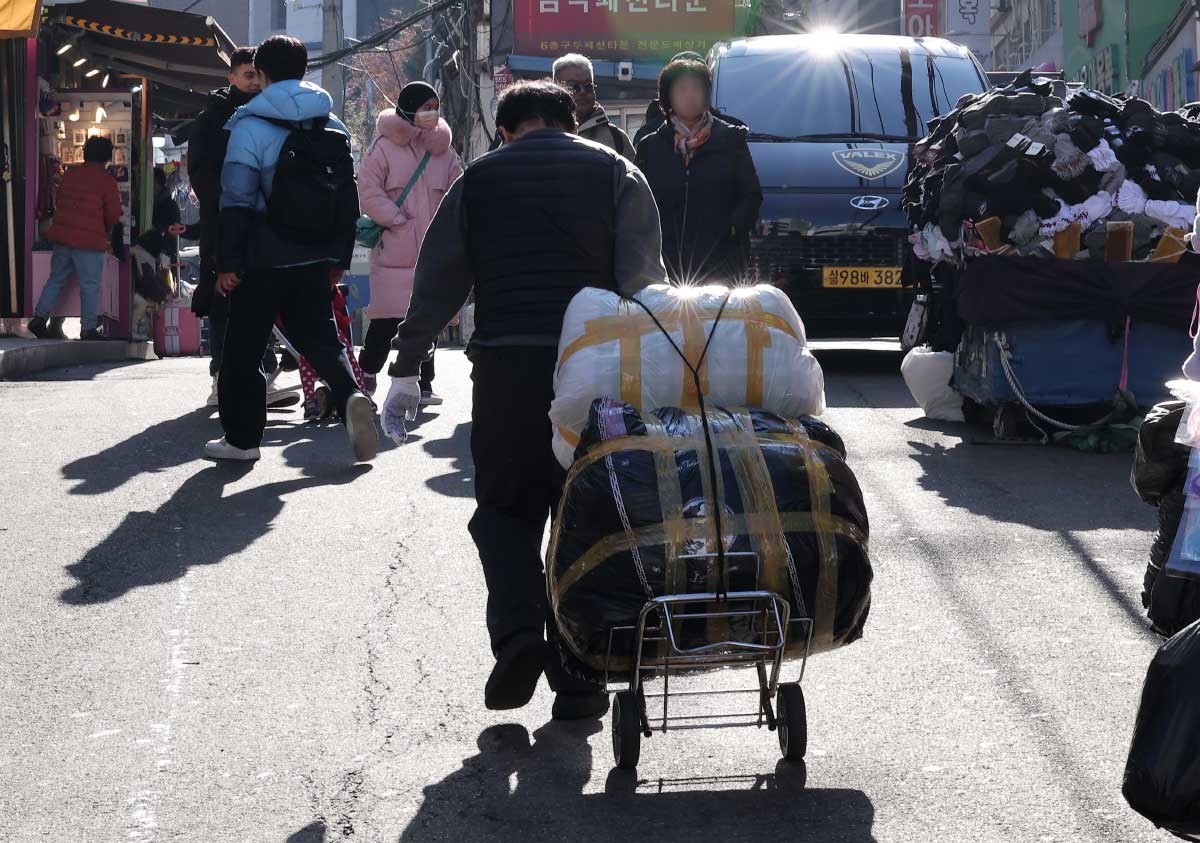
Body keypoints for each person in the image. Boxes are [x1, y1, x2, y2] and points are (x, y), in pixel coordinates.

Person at [380, 81, 667, 720]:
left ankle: (516, 638)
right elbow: (646, 285)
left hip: (507, 365)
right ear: (573, 122)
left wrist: (405, 366)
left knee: (506, 512)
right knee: (590, 513)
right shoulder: (618, 170)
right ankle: (579, 672)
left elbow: (438, 283)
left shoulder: (478, 180)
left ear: (505, 130)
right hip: (596, 374)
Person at [208, 34, 377, 464]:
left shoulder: (249, 125)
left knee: (243, 349)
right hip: (317, 256)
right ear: (305, 71)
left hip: (262, 257)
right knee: (322, 338)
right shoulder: (333, 125)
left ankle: (243, 441)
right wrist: (339, 258)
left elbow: (236, 199)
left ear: (261, 75)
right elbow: (347, 201)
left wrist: (228, 262)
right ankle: (350, 393)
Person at [356, 81, 463, 403]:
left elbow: (459, 190)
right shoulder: (384, 147)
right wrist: (395, 219)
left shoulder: (444, 152)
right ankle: (367, 376)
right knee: (386, 321)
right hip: (395, 246)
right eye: (425, 106)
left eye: (435, 106)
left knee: (427, 319)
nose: (432, 112)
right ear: (408, 108)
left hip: (433, 248)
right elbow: (368, 189)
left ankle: (424, 383)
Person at [186, 47, 279, 407]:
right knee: (223, 303)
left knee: (262, 300)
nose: (254, 83)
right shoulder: (211, 120)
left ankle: (262, 375)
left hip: (263, 225)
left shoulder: (273, 113)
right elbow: (200, 172)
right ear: (232, 77)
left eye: (259, 75)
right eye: (247, 75)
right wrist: (227, 204)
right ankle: (220, 378)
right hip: (223, 224)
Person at [636, 57, 763, 285]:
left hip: (721, 264)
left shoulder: (731, 139)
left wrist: (732, 229)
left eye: (697, 88)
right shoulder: (650, 146)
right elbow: (639, 204)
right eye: (682, 89)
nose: (690, 96)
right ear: (668, 97)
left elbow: (751, 195)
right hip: (666, 265)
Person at [27, 136, 123, 341]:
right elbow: (114, 212)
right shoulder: (107, 181)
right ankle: (88, 328)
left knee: (55, 280)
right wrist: (103, 229)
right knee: (90, 285)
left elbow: (59, 201)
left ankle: (39, 318)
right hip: (89, 242)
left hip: (62, 238)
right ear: (107, 157)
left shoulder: (70, 175)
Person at [552, 54, 636, 161]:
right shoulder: (540, 135)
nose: (583, 92)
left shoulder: (617, 138)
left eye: (588, 86)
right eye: (573, 87)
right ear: (556, 89)